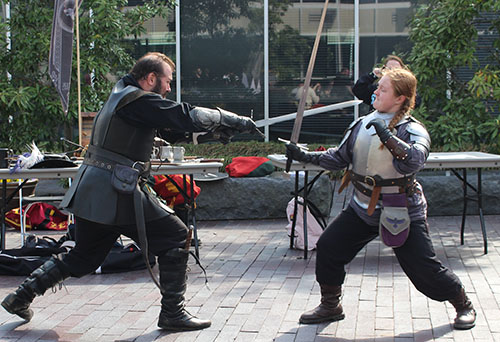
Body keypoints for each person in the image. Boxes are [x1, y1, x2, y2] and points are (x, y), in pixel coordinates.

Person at [1, 52, 261, 332]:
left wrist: (214, 132)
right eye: (167, 81)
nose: (169, 88)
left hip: (96, 190)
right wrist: (235, 120)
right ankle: (173, 313)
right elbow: (182, 114)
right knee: (175, 236)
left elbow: (171, 129)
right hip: (117, 189)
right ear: (150, 79)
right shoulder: (137, 99)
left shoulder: (122, 95)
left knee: (84, 257)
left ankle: (20, 296)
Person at [286, 68, 476, 330]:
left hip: (401, 209)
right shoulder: (362, 124)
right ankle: (331, 305)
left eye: (383, 89)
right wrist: (304, 155)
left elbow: (414, 161)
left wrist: (387, 136)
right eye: (378, 87)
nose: (375, 91)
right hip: (362, 206)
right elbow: (339, 158)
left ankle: (463, 304)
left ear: (400, 98)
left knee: (424, 269)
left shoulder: (413, 129)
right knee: (330, 247)